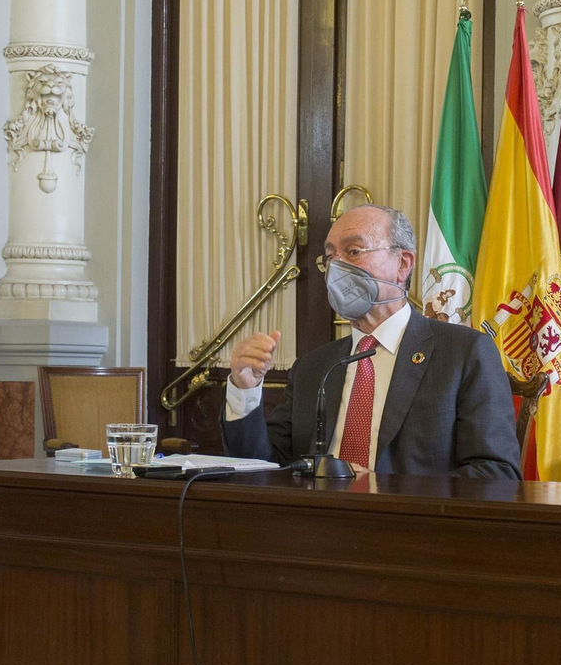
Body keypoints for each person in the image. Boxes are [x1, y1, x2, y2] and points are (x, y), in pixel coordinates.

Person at [221, 204, 522, 479]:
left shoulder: (464, 353)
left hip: (410, 530)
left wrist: (384, 490)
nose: (336, 267)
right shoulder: (313, 367)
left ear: (403, 264)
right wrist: (245, 391)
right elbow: (265, 469)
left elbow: (496, 473)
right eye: (329, 256)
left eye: (353, 251)